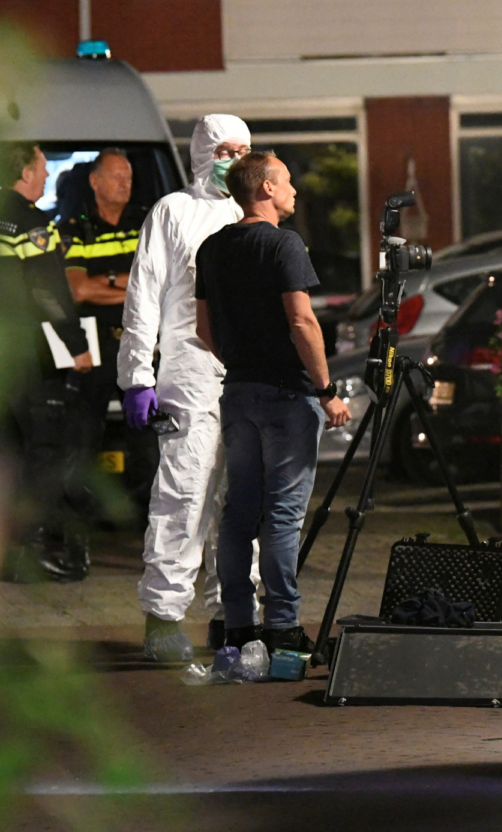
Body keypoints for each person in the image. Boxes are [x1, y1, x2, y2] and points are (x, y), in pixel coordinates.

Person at [194, 151, 349, 652]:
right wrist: (326, 390)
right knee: (283, 515)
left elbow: (203, 328)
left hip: (237, 393)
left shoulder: (212, 249)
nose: (295, 191)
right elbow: (302, 321)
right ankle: (283, 626)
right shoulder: (285, 245)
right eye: (286, 181)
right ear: (264, 188)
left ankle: (238, 624)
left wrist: (241, 364)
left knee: (239, 512)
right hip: (287, 395)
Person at [117, 115, 258, 662]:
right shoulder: (173, 211)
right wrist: (138, 377)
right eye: (225, 149)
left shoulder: (252, 216)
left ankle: (234, 615)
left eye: (245, 150)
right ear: (202, 152)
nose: (236, 159)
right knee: (185, 492)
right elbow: (143, 296)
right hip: (190, 372)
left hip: (244, 375)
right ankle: (163, 619)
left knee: (241, 499)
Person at [0, 142, 94, 582]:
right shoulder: (31, 222)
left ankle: (5, 547)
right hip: (27, 351)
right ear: (23, 171)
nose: (45, 176)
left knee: (12, 448)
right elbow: (47, 291)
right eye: (40, 168)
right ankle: (31, 550)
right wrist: (76, 345)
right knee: (43, 448)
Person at [61, 149, 148, 462]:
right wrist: (137, 287)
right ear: (94, 181)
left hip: (140, 345)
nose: (125, 184)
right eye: (116, 177)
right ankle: (78, 508)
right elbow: (79, 290)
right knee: (82, 439)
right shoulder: (75, 227)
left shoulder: (146, 222)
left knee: (147, 440)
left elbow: (165, 282)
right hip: (94, 346)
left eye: (129, 177)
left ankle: (144, 508)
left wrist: (106, 280)